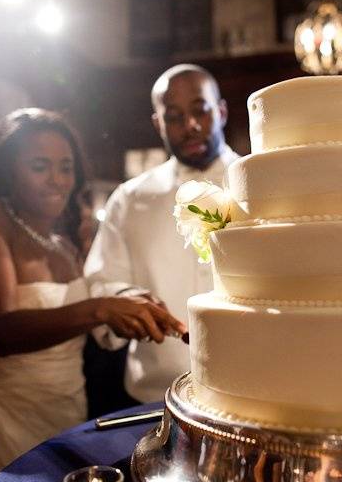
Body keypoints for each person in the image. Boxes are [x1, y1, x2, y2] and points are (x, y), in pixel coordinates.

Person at [0, 109, 185, 482]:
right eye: (39, 166)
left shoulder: (63, 245)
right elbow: (1, 331)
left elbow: (74, 323)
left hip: (66, 416)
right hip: (3, 423)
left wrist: (126, 309)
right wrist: (99, 309)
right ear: (8, 171)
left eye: (65, 167)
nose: (57, 180)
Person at [84, 64, 240, 405]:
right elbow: (103, 279)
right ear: (158, 123)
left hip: (255, 391)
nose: (191, 126)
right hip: (154, 399)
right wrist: (125, 299)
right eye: (174, 117)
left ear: (222, 111)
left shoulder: (263, 187)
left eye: (201, 111)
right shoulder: (129, 198)